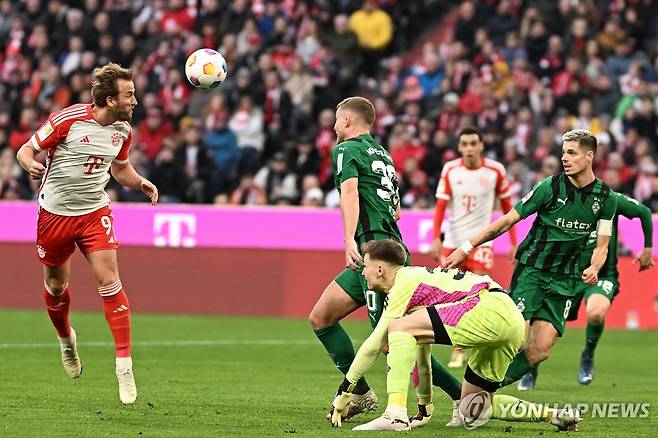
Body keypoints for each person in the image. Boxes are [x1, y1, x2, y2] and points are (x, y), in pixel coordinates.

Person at [308, 96, 463, 423]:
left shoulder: (345, 150)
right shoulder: (383, 155)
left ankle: (464, 397)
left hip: (377, 254)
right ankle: (361, 393)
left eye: (337, 120)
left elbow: (349, 192)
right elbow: (396, 209)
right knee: (322, 317)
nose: (335, 127)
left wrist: (349, 237)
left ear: (347, 121)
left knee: (396, 337)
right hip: (382, 248)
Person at [15, 63, 158, 405]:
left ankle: (124, 367)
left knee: (110, 281)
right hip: (55, 215)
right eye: (129, 95)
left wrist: (139, 182)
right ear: (110, 100)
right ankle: (66, 340)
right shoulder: (67, 120)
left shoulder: (123, 129)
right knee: (56, 286)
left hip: (94, 212)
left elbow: (120, 168)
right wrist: (29, 164)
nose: (135, 100)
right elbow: (25, 150)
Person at [329, 239, 581, 432]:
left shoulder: (404, 281)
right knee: (473, 409)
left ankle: (394, 413)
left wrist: (344, 392)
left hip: (487, 306)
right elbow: (421, 353)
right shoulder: (415, 284)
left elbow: (374, 344)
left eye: (366, 265)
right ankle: (554, 415)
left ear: (381, 269)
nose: (362, 272)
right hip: (510, 316)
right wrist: (424, 407)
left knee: (398, 328)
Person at [445, 129, 618, 391]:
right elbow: (506, 221)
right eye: (563, 152)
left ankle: (483, 387)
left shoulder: (606, 198)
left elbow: (602, 245)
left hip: (567, 280)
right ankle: (475, 387)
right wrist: (466, 247)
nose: (564, 158)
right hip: (533, 272)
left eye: (571, 153)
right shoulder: (549, 187)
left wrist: (594, 267)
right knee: (512, 337)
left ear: (589, 156)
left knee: (539, 351)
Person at [528, 192, 653, 387]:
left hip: (602, 275)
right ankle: (531, 368)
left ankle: (588, 356)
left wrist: (647, 248)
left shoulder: (610, 199)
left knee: (595, 313)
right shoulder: (563, 199)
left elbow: (644, 212)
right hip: (566, 276)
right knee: (545, 335)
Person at [430, 127, 517, 368]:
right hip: (453, 241)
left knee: (478, 292)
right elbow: (440, 205)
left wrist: (513, 242)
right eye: (464, 144)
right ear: (459, 147)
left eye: (473, 143)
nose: (469, 148)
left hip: (481, 241)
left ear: (481, 146)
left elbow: (508, 208)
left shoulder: (495, 171)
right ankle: (457, 346)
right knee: (450, 293)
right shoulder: (450, 169)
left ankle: (473, 343)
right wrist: (436, 237)